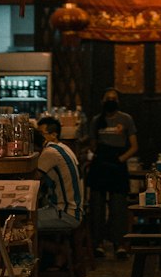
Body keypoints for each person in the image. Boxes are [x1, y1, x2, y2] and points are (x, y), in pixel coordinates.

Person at [86, 89, 138, 258]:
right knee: (97, 206)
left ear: (118, 101)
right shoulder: (96, 120)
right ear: (102, 101)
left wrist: (121, 159)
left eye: (113, 99)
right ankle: (98, 243)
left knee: (119, 206)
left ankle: (119, 243)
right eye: (108, 98)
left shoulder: (126, 119)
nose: (110, 101)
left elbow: (134, 146)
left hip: (117, 164)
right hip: (100, 164)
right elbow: (92, 145)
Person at [35, 115, 84, 231]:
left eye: (41, 133)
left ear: (54, 135)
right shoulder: (64, 148)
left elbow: (34, 180)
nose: (38, 138)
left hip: (66, 213)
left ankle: (51, 249)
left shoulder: (50, 152)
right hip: (73, 210)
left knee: (24, 220)